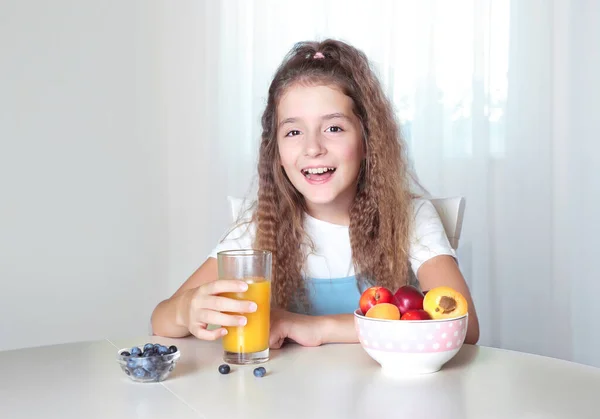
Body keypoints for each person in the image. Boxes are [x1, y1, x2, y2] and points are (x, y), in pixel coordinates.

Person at [151, 39, 480, 347]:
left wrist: (309, 326)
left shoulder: (410, 218)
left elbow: (463, 326)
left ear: (368, 142)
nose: (312, 148)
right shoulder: (260, 225)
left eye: (333, 128)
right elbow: (161, 321)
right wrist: (186, 310)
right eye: (293, 131)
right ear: (276, 152)